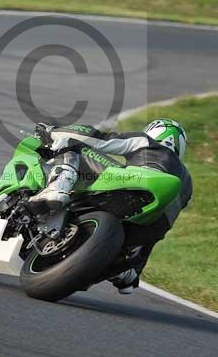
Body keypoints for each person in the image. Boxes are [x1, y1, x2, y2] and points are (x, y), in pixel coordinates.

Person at [32, 119, 192, 294]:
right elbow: (158, 233)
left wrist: (54, 131)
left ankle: (57, 188)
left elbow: (101, 140)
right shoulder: (187, 184)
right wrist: (136, 269)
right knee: (144, 239)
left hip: (138, 182)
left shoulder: (147, 142)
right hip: (147, 229)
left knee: (71, 144)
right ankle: (124, 270)